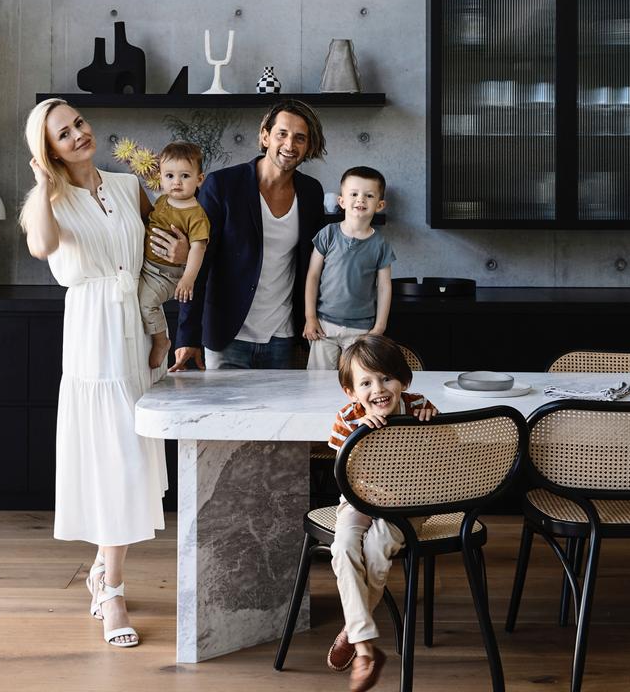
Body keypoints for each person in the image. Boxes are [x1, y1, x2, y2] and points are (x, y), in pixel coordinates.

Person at [18, 98, 189, 648]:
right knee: (113, 454)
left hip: (134, 328)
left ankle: (100, 568)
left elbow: (153, 263)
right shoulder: (47, 199)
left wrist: (179, 268)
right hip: (92, 335)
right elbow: (42, 247)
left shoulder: (126, 186)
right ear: (49, 150)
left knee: (130, 456)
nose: (78, 135)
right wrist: (44, 183)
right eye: (63, 134)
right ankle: (111, 590)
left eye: (79, 123)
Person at [171, 99, 325, 371]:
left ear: (309, 146)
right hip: (227, 336)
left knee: (279, 415)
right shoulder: (223, 186)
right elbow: (200, 265)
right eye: (282, 134)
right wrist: (187, 336)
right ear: (265, 136)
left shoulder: (311, 192)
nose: (290, 145)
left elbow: (315, 264)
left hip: (281, 336)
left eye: (300, 138)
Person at [327, 334, 438, 692]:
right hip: (359, 499)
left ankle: (355, 639)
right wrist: (358, 436)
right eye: (366, 382)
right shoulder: (348, 418)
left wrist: (431, 423)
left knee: (376, 552)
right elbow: (345, 472)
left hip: (408, 505)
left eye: (387, 378)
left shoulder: (419, 406)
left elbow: (441, 458)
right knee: (343, 547)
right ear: (351, 392)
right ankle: (364, 647)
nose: (378, 388)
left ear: (403, 381)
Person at [303, 166, 394, 370]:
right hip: (324, 325)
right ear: (342, 201)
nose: (360, 199)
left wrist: (380, 326)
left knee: (357, 380)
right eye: (354, 194)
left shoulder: (380, 244)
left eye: (368, 195)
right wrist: (310, 317)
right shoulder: (328, 234)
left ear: (379, 205)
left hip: (361, 329)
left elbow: (384, 287)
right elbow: (313, 276)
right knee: (318, 383)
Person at [139, 141, 210, 369]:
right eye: (169, 175)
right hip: (146, 267)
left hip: (167, 275)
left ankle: (161, 341)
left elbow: (198, 248)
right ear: (160, 177)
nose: (176, 182)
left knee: (146, 303)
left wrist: (188, 279)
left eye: (185, 176)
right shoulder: (162, 201)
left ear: (199, 179)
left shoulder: (196, 214)